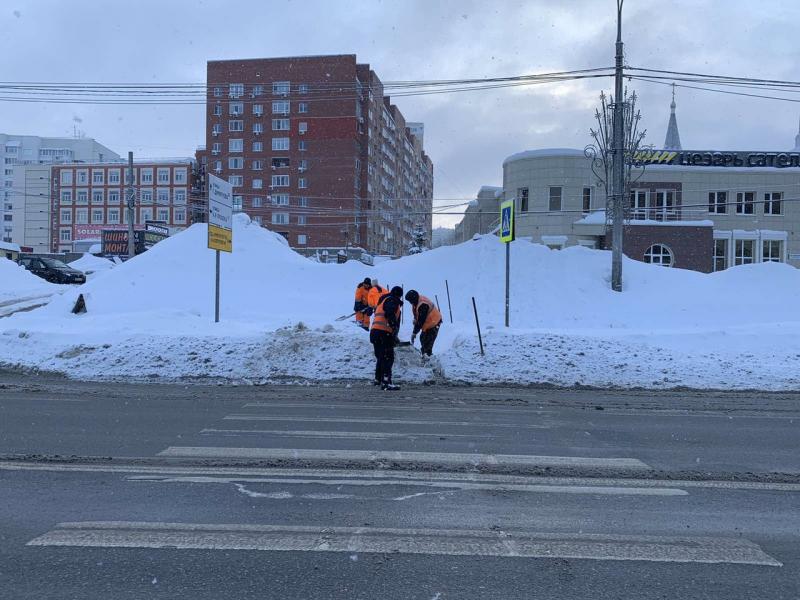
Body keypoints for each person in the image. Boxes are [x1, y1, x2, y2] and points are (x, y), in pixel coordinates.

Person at [370, 286, 404, 390]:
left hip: (375, 332)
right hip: (384, 333)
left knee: (381, 356)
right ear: (399, 295)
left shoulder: (383, 300)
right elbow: (389, 312)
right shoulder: (392, 300)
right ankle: (386, 382)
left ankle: (378, 379)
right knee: (388, 357)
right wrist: (393, 327)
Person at [405, 289, 442, 357]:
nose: (410, 303)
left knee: (428, 343)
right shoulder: (416, 302)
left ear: (413, 299)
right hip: (428, 323)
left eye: (410, 301)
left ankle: (428, 358)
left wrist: (414, 332)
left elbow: (421, 321)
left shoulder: (423, 305)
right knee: (422, 338)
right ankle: (424, 354)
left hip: (434, 323)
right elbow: (418, 316)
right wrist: (415, 320)